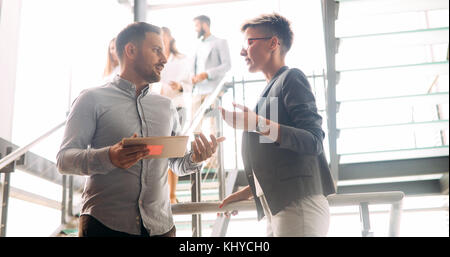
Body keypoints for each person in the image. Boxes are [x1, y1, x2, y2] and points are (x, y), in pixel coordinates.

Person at [56, 22, 224, 237]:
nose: (164, 59)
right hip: (105, 227)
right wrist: (109, 156)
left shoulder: (166, 107)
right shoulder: (91, 99)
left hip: (161, 229)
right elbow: (64, 159)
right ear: (131, 50)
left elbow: (175, 163)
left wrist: (196, 159)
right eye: (156, 50)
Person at [218, 13, 336, 237]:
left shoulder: (291, 78)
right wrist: (246, 192)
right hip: (279, 206)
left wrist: (257, 123)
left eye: (249, 42)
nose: (243, 51)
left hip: (298, 205)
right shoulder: (270, 91)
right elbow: (281, 162)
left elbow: (313, 141)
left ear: (273, 43)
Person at [159, 26, 193, 204]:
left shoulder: (182, 59)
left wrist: (179, 87)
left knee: (174, 151)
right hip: (157, 109)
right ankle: (163, 194)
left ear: (170, 38)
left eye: (164, 36)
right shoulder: (152, 59)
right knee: (160, 153)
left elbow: (189, 84)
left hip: (177, 107)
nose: (162, 40)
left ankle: (172, 195)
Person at [191, 15, 231, 136]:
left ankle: (214, 155)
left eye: (197, 25)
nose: (195, 29)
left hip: (212, 90)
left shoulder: (220, 42)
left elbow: (227, 65)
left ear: (205, 25)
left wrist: (206, 74)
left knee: (212, 127)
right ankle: (196, 153)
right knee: (194, 127)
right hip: (197, 91)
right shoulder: (197, 45)